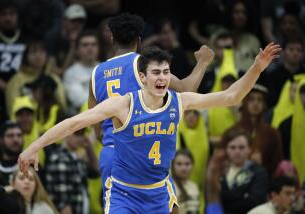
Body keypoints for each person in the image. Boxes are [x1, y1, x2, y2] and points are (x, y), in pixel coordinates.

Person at [18, 42, 280, 213]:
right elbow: (75, 122)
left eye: (166, 72)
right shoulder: (123, 105)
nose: (163, 78)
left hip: (158, 193)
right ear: (142, 77)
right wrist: (35, 145)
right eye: (156, 73)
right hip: (123, 193)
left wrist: (256, 68)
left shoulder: (179, 101)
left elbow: (231, 97)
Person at [89, 13, 214, 194]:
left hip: (110, 154)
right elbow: (186, 91)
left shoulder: (96, 73)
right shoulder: (142, 65)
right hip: (141, 152)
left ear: (111, 38)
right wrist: (203, 62)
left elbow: (98, 132)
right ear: (139, 40)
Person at [172, 149, 200, 214]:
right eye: (179, 164)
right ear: (173, 165)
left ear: (193, 165)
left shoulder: (194, 186)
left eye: (187, 164)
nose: (183, 168)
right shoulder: (169, 187)